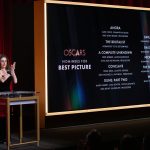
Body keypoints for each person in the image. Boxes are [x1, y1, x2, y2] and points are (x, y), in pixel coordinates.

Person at [0, 54, 17, 143]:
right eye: (2, 61)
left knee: (7, 117)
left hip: (7, 98)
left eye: (5, 61)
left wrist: (12, 71)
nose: (4, 63)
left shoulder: (9, 71)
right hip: (0, 98)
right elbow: (2, 81)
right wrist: (6, 73)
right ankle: (1, 137)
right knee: (1, 118)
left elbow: (15, 81)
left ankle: (6, 137)